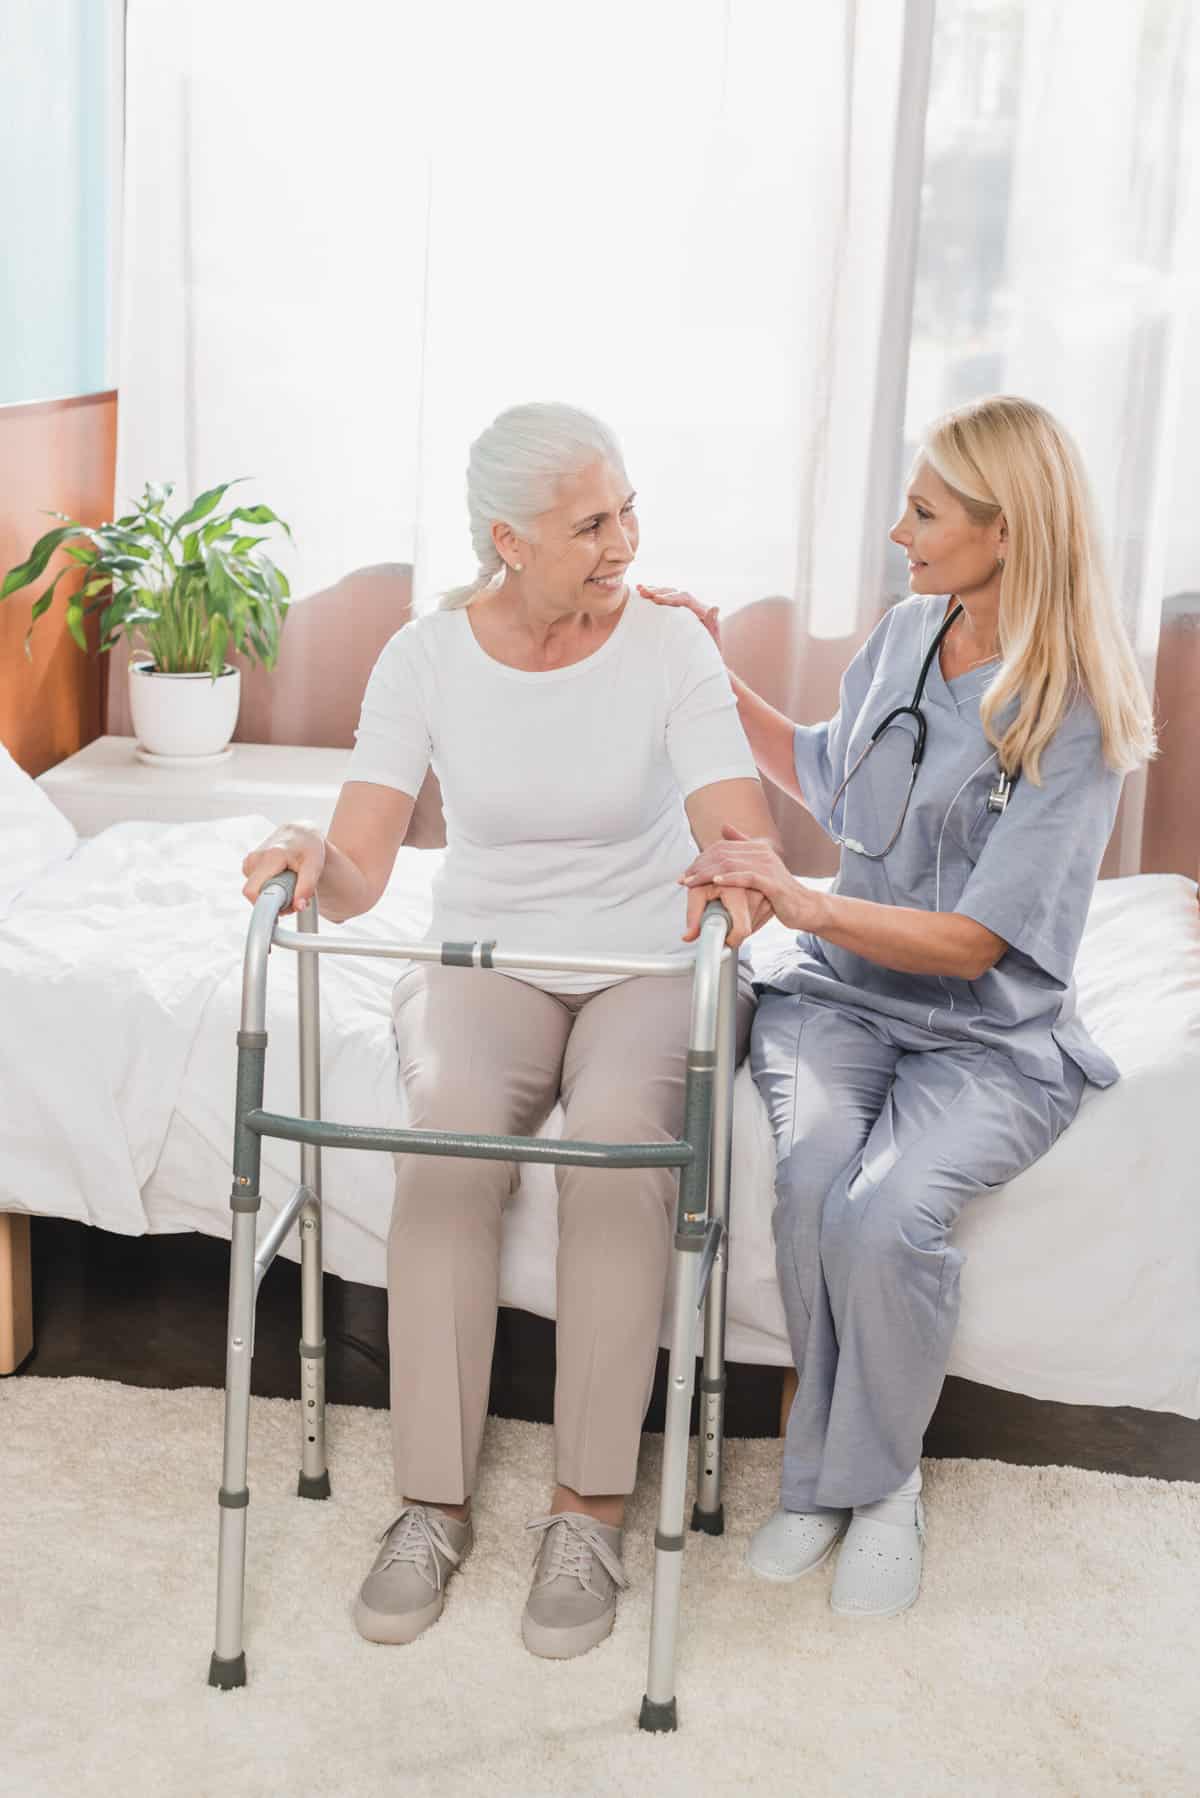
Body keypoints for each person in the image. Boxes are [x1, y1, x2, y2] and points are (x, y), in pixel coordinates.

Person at [241, 402, 777, 1659]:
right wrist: (305, 855)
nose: (624, 540)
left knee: (617, 1147)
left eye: (628, 508)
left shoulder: (671, 651)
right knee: (451, 1144)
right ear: (508, 538)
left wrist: (737, 872)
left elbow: (732, 819)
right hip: (484, 953)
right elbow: (364, 862)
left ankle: (587, 1511)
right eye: (592, 521)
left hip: (644, 956)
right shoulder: (426, 658)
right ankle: (432, 1503)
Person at [642, 394, 1156, 1620]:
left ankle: (871, 1487)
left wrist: (801, 901)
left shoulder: (1070, 707)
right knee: (814, 1178)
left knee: (885, 1216)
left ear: (1008, 531)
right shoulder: (910, 633)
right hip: (845, 1004)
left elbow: (981, 940)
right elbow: (829, 772)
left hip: (988, 1032)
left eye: (924, 510)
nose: (897, 530)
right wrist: (715, 668)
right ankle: (831, 1477)